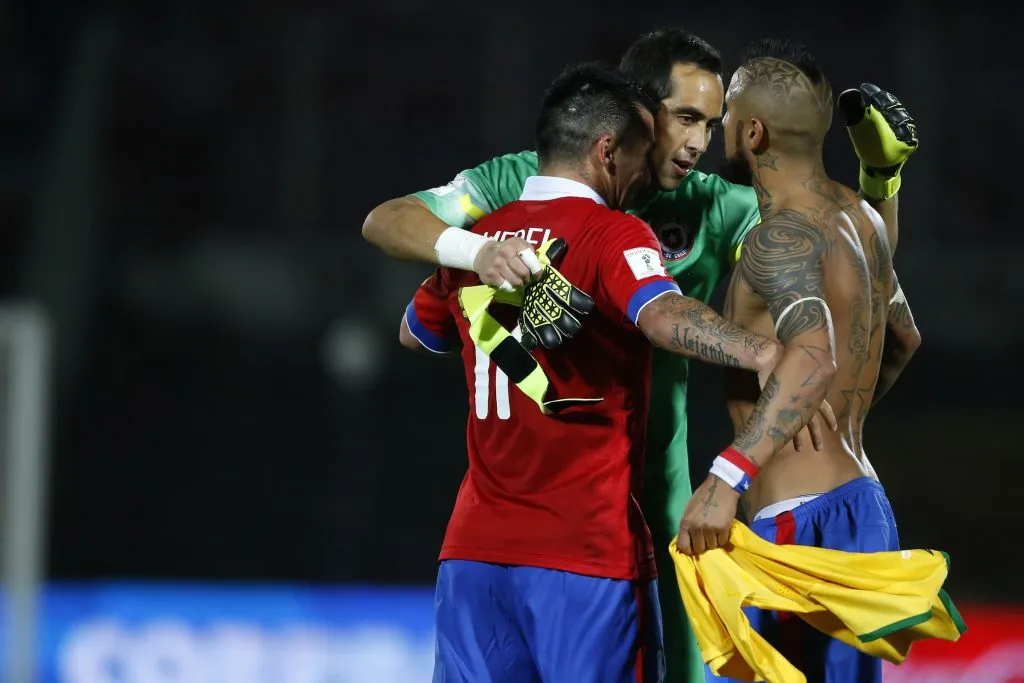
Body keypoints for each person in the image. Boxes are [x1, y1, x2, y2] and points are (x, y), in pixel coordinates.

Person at [400, 63, 786, 683]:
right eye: (641, 153)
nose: (646, 171)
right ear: (608, 153)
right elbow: (661, 315)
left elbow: (416, 332)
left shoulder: (480, 240)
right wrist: (760, 352)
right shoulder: (614, 234)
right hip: (585, 556)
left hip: (472, 557)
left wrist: (496, 314)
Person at [673, 39, 921, 683]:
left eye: (726, 112)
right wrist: (842, 409)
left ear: (751, 131)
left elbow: (811, 356)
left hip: (798, 524)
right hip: (865, 506)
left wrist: (724, 478)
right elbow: (901, 338)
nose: (719, 126)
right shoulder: (864, 220)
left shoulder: (772, 239)